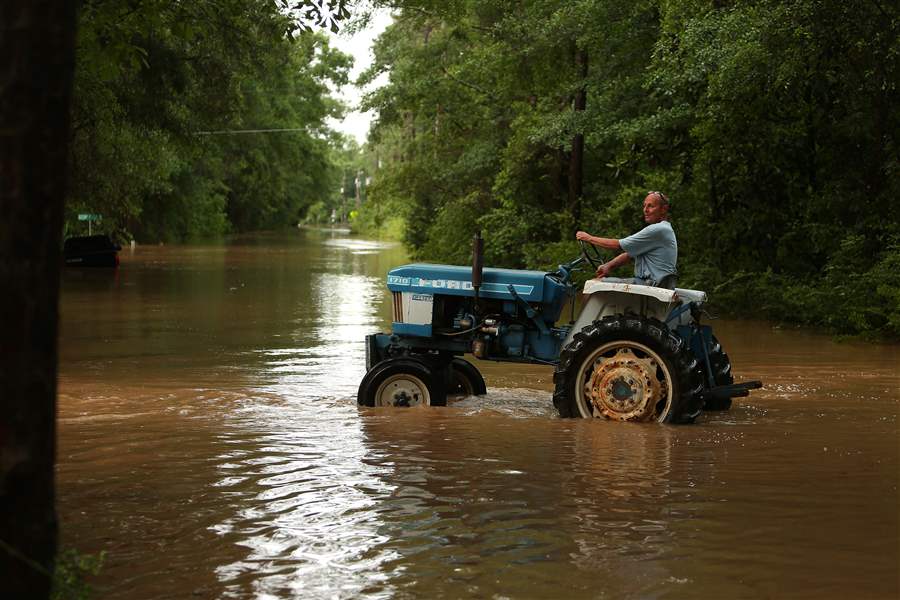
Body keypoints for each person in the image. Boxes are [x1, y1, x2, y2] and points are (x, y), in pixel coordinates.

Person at [575, 191, 677, 289]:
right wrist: (608, 266)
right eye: (644, 206)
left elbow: (618, 245)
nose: (645, 210)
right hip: (653, 285)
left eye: (650, 206)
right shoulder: (662, 231)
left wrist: (588, 238)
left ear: (663, 209)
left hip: (650, 286)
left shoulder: (659, 229)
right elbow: (629, 254)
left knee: (594, 284)